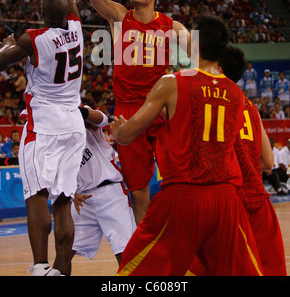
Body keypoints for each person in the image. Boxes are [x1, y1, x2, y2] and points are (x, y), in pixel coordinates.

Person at [110, 15, 263, 276]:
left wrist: (118, 130)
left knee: (132, 275)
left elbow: (127, 135)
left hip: (183, 197)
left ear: (196, 44)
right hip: (226, 200)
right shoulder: (237, 93)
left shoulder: (172, 82)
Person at [72, 0, 190, 224]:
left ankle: (181, 239)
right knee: (138, 193)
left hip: (161, 110)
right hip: (127, 111)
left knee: (179, 182)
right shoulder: (118, 18)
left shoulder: (173, 26)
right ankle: (145, 252)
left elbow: (202, 62)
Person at [0, 0, 86, 277]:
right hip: (74, 125)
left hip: (44, 125)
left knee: (36, 195)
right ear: (67, 11)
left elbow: (4, 60)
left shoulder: (33, 38)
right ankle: (62, 270)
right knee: (63, 201)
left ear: (40, 12)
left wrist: (8, 47)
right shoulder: (78, 28)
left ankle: (38, 267)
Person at [218, 46, 287, 276]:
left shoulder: (213, 104)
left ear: (217, 69)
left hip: (229, 201)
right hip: (259, 201)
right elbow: (267, 162)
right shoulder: (252, 108)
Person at [70, 106, 136, 268]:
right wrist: (71, 192)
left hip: (109, 191)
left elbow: (102, 119)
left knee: (125, 250)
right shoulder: (50, 131)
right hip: (81, 197)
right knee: (65, 248)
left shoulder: (81, 112)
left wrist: (77, 112)